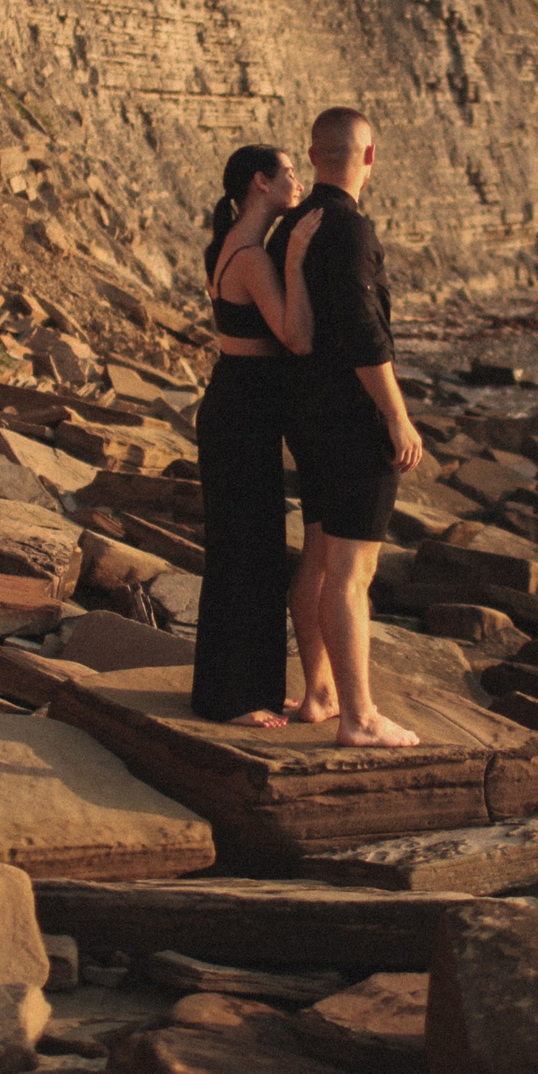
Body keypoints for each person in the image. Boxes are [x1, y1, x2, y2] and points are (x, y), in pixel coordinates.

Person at [277, 107, 424, 748]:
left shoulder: (293, 228)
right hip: (351, 418)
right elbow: (366, 335)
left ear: (314, 157)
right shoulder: (351, 230)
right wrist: (396, 415)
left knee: (316, 555)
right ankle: (359, 718)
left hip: (305, 414)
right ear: (370, 158)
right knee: (351, 572)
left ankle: (318, 693)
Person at [189, 145, 323, 726]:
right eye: (288, 172)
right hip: (242, 410)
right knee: (247, 554)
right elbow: (295, 337)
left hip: (235, 404)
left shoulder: (230, 246)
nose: (298, 180)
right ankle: (236, 699)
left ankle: (240, 691)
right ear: (260, 183)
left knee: (244, 550)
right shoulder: (250, 256)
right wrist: (293, 260)